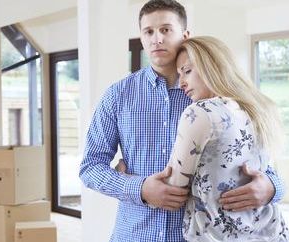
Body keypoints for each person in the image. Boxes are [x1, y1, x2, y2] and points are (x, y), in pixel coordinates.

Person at [79, 0, 285, 241]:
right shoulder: (117, 96)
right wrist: (139, 188)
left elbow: (263, 168)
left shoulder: (217, 101)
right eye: (148, 32)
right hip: (134, 234)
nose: (157, 39)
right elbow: (90, 167)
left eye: (166, 29)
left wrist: (271, 188)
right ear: (141, 38)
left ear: (185, 35)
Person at [165, 36, 288, 241]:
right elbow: (268, 174)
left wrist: (127, 175)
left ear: (211, 66)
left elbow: (173, 188)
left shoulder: (199, 112)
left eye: (187, 71)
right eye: (179, 75)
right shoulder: (259, 109)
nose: (182, 83)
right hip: (273, 233)